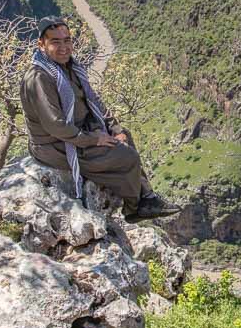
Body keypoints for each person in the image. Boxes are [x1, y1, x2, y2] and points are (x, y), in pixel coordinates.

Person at [20, 16, 163, 215]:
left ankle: (147, 197)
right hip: (54, 145)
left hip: (78, 131)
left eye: (67, 40)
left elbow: (94, 101)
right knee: (125, 155)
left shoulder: (70, 68)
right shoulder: (38, 77)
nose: (64, 47)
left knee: (124, 137)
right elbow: (56, 125)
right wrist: (94, 139)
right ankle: (135, 208)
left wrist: (115, 129)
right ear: (41, 44)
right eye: (55, 42)